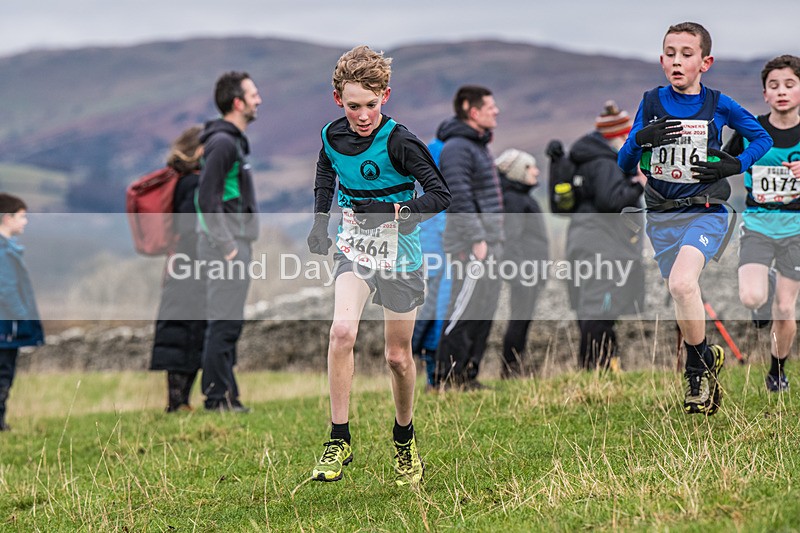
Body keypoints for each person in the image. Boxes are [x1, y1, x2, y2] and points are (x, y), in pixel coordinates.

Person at [305, 45, 450, 485]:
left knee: (397, 357)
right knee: (342, 332)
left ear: (385, 95)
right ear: (338, 101)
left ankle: (404, 438)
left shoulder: (401, 141)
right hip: (355, 248)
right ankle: (338, 438)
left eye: (371, 105)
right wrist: (319, 224)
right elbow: (326, 175)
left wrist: (395, 212)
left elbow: (441, 195)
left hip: (401, 253)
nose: (363, 115)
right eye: (353, 106)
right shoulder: (332, 136)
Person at [618, 22, 772, 414]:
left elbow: (762, 138)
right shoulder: (650, 101)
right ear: (661, 59)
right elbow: (623, 163)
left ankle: (695, 371)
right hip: (661, 215)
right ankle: (705, 358)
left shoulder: (718, 104)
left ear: (705, 62)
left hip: (706, 211)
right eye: (670, 53)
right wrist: (640, 138)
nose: (676, 61)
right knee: (679, 292)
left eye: (686, 54)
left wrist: (734, 165)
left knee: (684, 284)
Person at [724, 54, 800, 392]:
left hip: (796, 230)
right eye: (774, 86)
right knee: (753, 299)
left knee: (785, 307)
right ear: (765, 94)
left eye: (789, 84)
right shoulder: (752, 130)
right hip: (757, 224)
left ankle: (777, 370)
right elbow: (723, 164)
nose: (782, 91)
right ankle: (764, 279)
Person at [195, 71, 261, 412]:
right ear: (237, 102)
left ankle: (228, 396)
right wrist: (228, 247)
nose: (258, 99)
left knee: (229, 323)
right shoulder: (222, 143)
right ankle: (215, 399)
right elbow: (206, 200)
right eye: (253, 94)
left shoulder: (233, 141)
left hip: (236, 243)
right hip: (227, 247)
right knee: (222, 323)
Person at [566, 102, 646, 371]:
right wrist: (638, 185)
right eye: (626, 136)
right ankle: (594, 367)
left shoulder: (589, 159)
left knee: (592, 305)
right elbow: (611, 201)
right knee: (599, 308)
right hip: (601, 244)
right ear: (617, 136)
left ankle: (605, 365)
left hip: (584, 240)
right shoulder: (604, 162)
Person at [434, 85, 504, 390]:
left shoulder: (477, 146)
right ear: (472, 111)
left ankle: (467, 377)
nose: (496, 110)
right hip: (470, 245)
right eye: (490, 106)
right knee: (463, 309)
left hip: (489, 242)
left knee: (483, 308)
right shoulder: (457, 148)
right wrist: (477, 239)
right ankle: (446, 378)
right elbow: (458, 197)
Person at [150, 125, 207, 412]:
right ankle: (178, 402)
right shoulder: (194, 184)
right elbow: (189, 227)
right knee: (188, 333)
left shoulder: (179, 180)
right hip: (190, 267)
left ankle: (178, 401)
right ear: (199, 150)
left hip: (179, 265)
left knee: (179, 332)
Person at [494, 148, 549, 377]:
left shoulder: (521, 197)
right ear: (517, 172)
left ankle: (514, 366)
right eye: (529, 167)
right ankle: (510, 369)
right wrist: (519, 273)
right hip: (524, 271)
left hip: (530, 269)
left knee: (523, 320)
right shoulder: (514, 200)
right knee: (519, 320)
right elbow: (512, 239)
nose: (536, 171)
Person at [0, 193, 44, 431]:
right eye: (21, 216)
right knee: (3, 373)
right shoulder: (3, 251)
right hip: (6, 328)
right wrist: (22, 317)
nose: (25, 222)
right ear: (7, 218)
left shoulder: (8, 249)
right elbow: (5, 290)